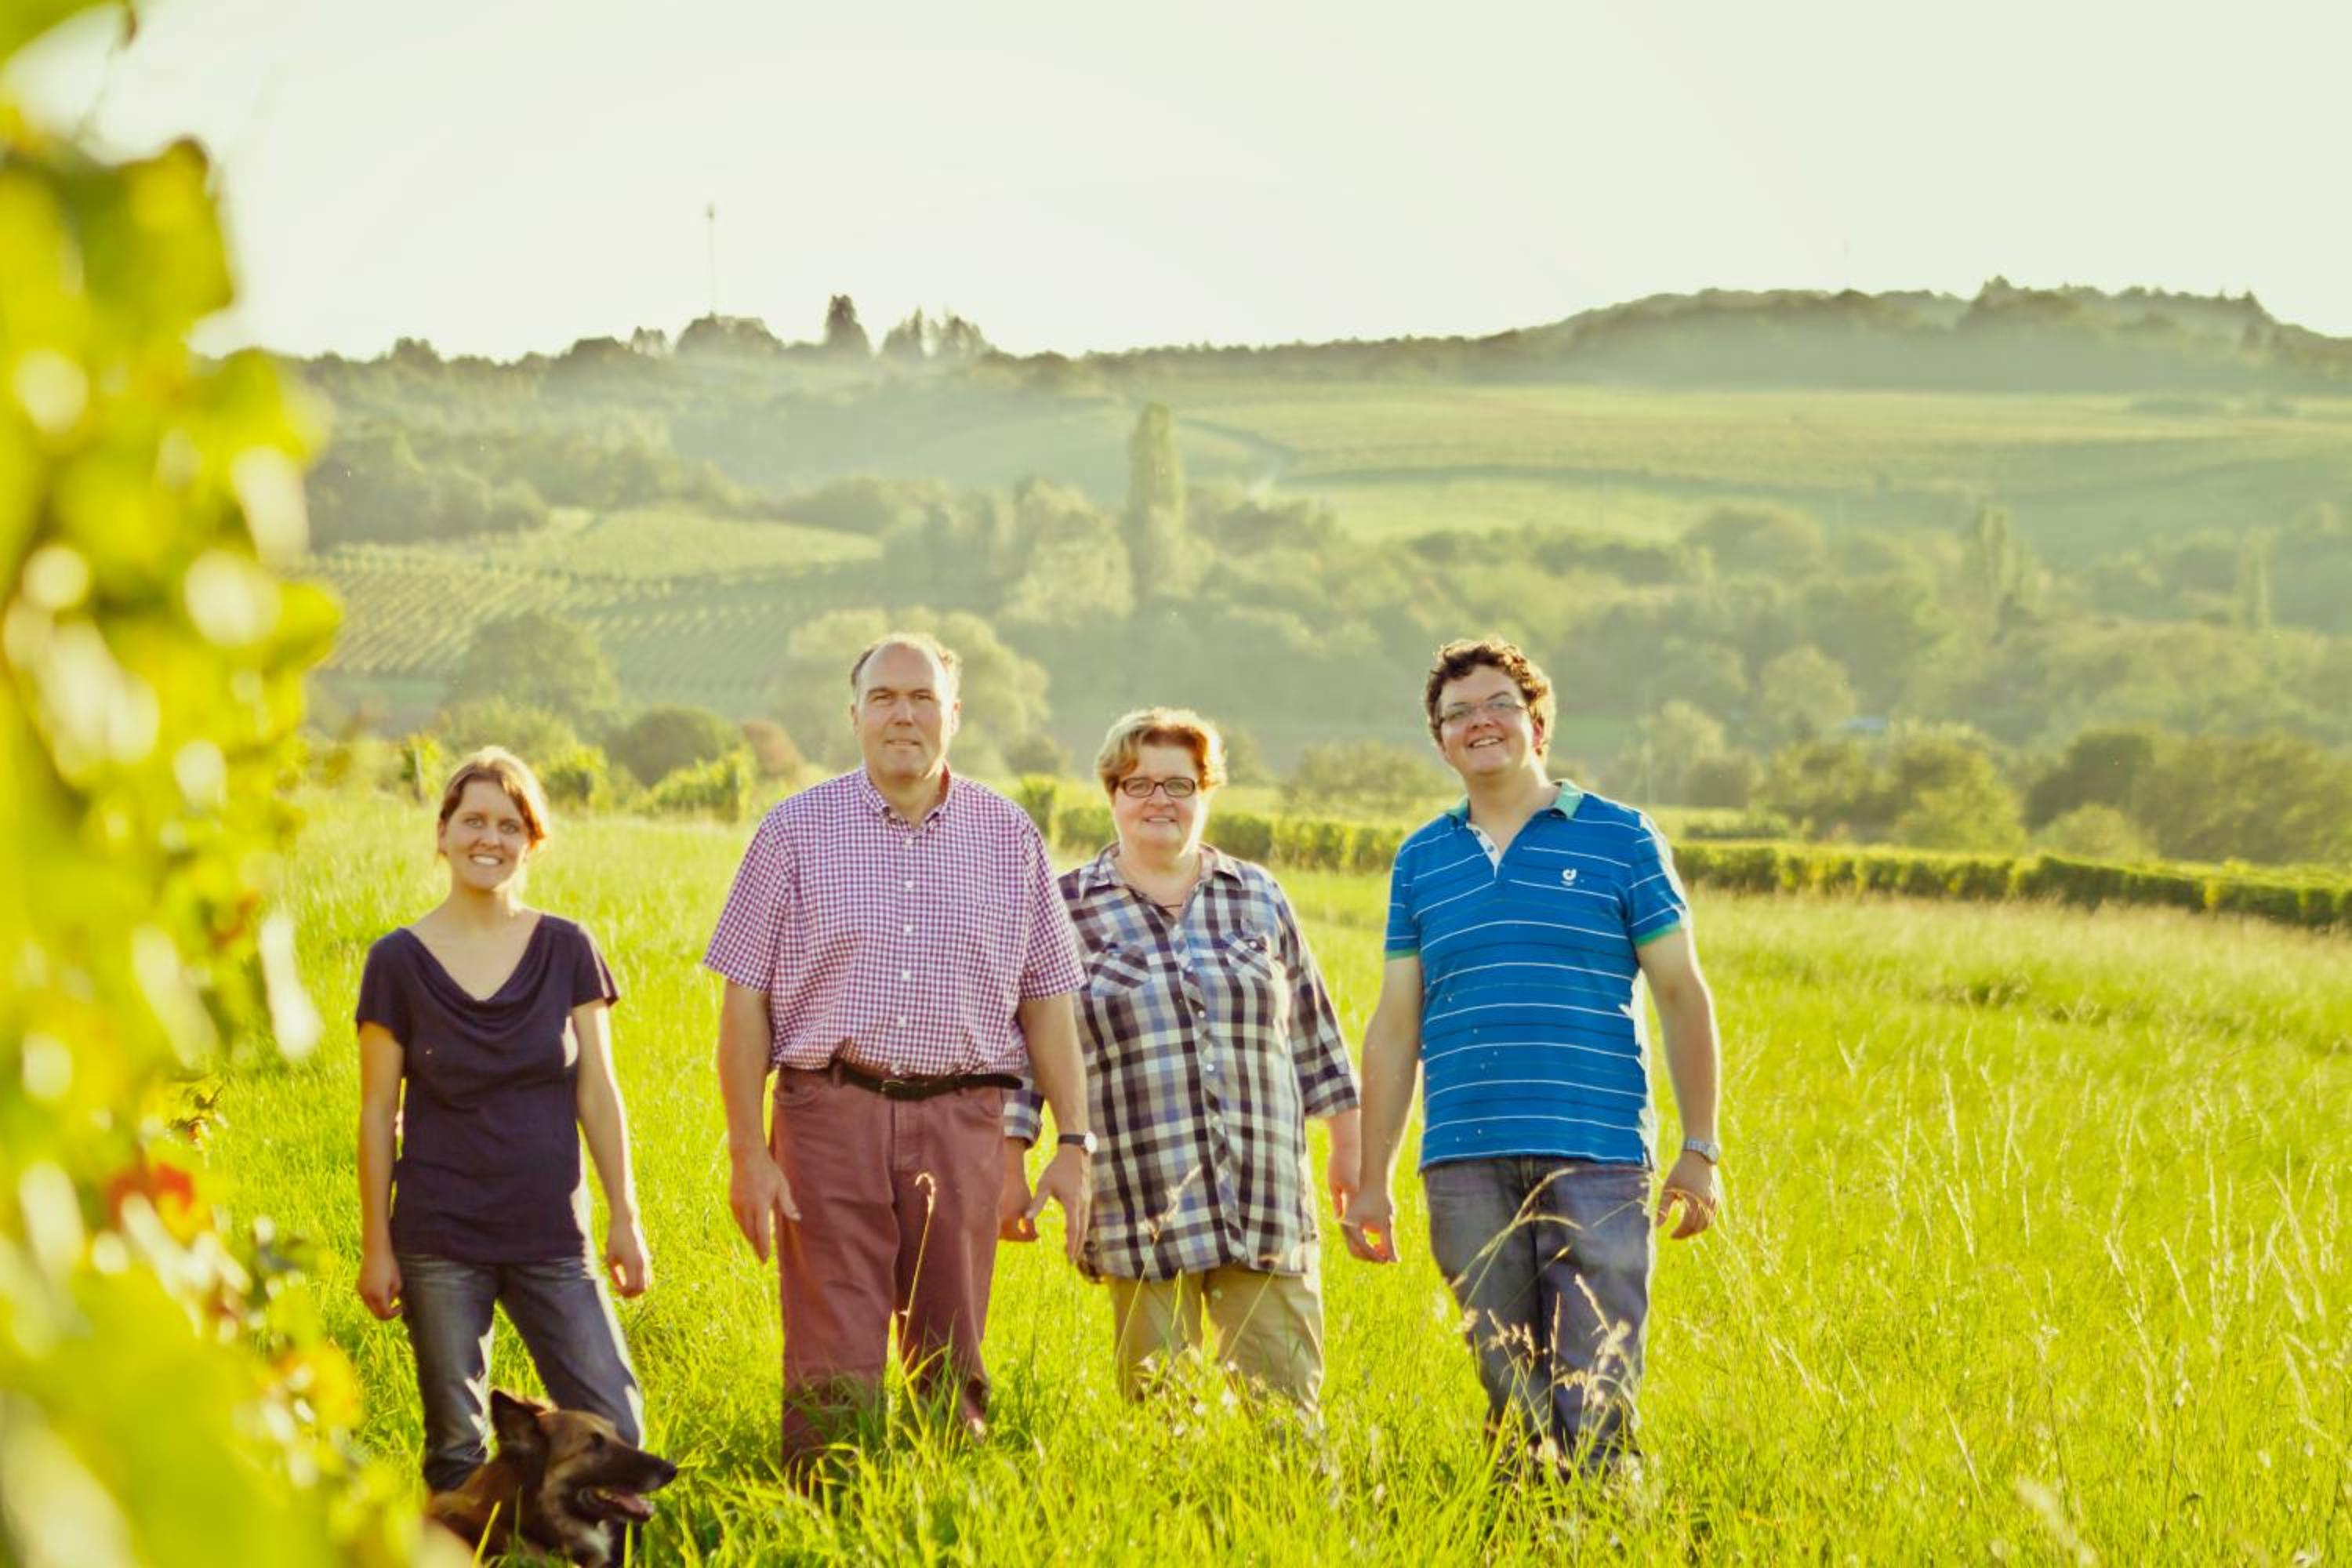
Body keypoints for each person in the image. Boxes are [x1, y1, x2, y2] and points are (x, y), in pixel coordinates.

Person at [705, 632, 1094, 1470]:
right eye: (884, 697)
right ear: (854, 715)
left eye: (922, 697)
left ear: (955, 714)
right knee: (832, 1351)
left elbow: (1049, 1001)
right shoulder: (793, 831)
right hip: (826, 1115)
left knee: (951, 1350)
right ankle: (825, 1510)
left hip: (964, 1121)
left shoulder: (1009, 836)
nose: (903, 714)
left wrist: (1073, 1140)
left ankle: (943, 1507)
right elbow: (744, 1002)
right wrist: (747, 1152)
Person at [1342, 637, 1723, 1479]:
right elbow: (1396, 1026)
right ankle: (1515, 1528)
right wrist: (1373, 1178)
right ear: (1442, 742)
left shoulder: (1622, 837)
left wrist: (1700, 1148)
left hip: (1597, 1153)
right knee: (1509, 1391)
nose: (1479, 722)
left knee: (1597, 1392)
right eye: (1458, 713)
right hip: (1464, 1161)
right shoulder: (1422, 859)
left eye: (1499, 705)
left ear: (1539, 724)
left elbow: (1681, 993)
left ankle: (1601, 1529)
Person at [355, 747, 651, 1494]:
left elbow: (599, 1091)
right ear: (443, 832)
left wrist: (625, 1218)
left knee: (616, 1426)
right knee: (457, 1446)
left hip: (552, 1235)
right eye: (473, 821)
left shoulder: (568, 948)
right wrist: (376, 1246)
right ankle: (478, 1542)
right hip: (439, 1238)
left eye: (509, 825)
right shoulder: (395, 961)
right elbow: (377, 1113)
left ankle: (578, 1542)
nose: (490, 838)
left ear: (532, 842)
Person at [1052, 707, 1360, 1412]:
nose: (1159, 800)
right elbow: (1033, 1047)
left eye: (1179, 785)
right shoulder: (1066, 907)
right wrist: (1013, 1161)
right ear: (1112, 794)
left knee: (1287, 1414)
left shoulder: (1257, 894)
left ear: (1207, 792)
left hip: (1262, 1194)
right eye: (1139, 784)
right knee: (1161, 1418)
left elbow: (1316, 1037)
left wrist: (1349, 1153)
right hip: (1140, 1194)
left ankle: (1287, 1492)